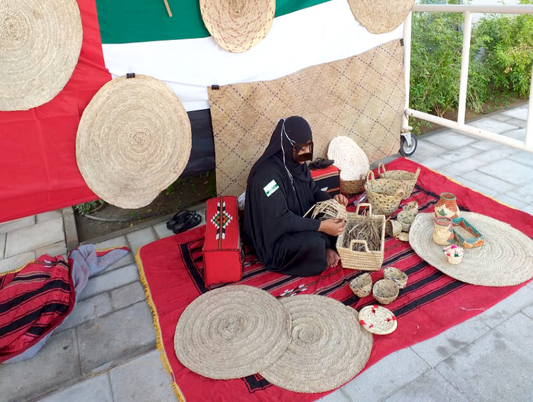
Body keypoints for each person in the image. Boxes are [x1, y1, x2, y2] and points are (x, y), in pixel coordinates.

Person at [244, 116, 349, 277]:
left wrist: (331, 201)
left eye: (309, 147)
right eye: (301, 149)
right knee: (314, 243)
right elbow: (281, 220)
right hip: (274, 239)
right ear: (287, 145)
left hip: (297, 220)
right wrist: (321, 227)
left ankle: (325, 249)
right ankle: (323, 250)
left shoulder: (296, 163)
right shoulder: (266, 176)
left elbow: (313, 191)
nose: (306, 154)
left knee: (338, 220)